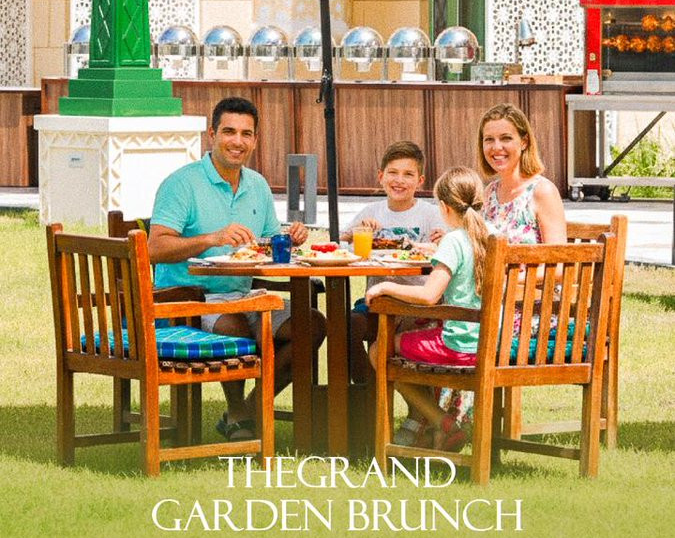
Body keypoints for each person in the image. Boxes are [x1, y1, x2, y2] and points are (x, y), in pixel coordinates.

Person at [148, 95, 324, 441]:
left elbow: (266, 244)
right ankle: (240, 412)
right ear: (212, 134)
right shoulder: (182, 183)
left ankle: (248, 408)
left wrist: (290, 238)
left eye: (246, 134)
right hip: (187, 300)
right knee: (236, 326)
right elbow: (154, 248)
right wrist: (211, 238)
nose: (237, 141)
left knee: (312, 324)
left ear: (255, 140)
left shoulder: (257, 185)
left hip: (244, 296)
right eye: (229, 132)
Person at [366, 167, 489, 451]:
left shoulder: (453, 241)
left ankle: (441, 421)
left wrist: (386, 287)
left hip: (458, 346)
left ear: (444, 207)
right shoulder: (492, 235)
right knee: (411, 336)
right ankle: (441, 426)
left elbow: (429, 295)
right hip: (491, 344)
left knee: (379, 350)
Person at [341, 141, 444, 382]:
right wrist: (355, 232)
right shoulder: (371, 212)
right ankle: (368, 390)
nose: (399, 180)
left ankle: (407, 398)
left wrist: (441, 240)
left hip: (417, 305)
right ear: (381, 177)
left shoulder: (430, 214)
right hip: (377, 303)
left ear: (420, 181)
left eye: (408, 174)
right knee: (348, 326)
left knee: (408, 360)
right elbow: (338, 241)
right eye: (393, 173)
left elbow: (447, 249)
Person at [477, 102, 567, 244]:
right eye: (489, 139)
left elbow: (558, 255)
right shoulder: (489, 193)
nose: (497, 147)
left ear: (524, 142)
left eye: (506, 138)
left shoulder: (543, 192)